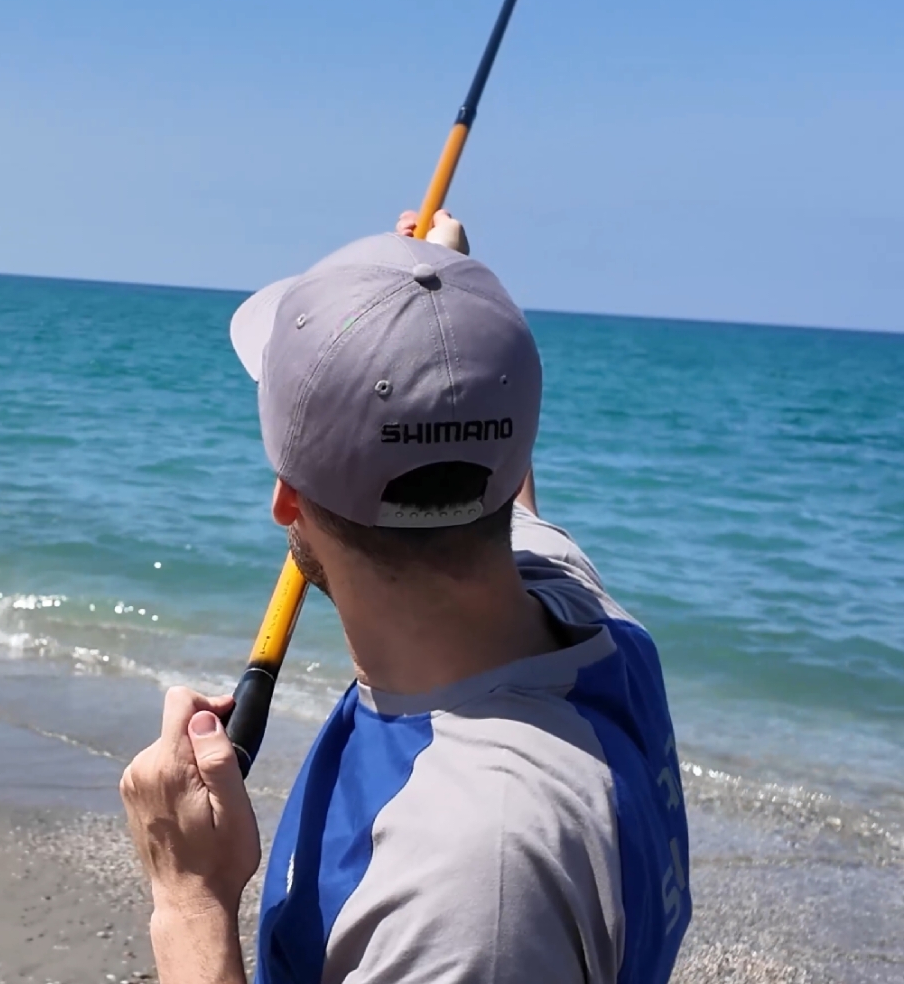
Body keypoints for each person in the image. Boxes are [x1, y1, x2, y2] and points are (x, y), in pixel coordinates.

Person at [120, 210, 691, 984]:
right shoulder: (579, 603)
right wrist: (441, 307)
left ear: (287, 501)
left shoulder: (471, 887)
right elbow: (503, 491)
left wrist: (189, 901)